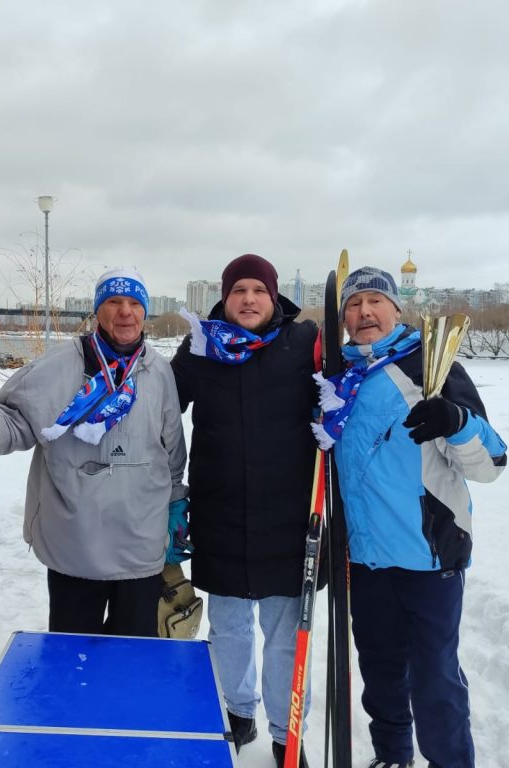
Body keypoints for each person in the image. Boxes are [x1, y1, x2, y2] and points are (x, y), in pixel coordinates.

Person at [314, 267, 507, 768]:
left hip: (431, 556)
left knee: (435, 681)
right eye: (354, 306)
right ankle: (393, 757)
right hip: (369, 561)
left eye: (376, 301)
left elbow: (493, 463)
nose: (365, 312)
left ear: (396, 310)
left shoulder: (429, 366)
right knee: (380, 676)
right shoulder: (338, 383)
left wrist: (456, 422)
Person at [0, 268, 188, 637]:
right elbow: (12, 423)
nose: (125, 312)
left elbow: (173, 450)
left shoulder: (159, 371)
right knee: (72, 663)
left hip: (141, 545)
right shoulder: (60, 365)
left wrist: (177, 504)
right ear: (97, 311)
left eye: (134, 303)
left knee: (130, 665)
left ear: (145, 312)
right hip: (75, 544)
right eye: (114, 302)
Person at [171, 254, 318, 768]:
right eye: (239, 291)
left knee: (282, 637)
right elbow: (161, 407)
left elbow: (355, 383)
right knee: (229, 627)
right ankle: (237, 710)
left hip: (290, 518)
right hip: (222, 514)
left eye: (259, 290)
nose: (249, 299)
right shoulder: (200, 347)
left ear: (274, 297)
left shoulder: (305, 343)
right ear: (224, 297)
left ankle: (284, 729)